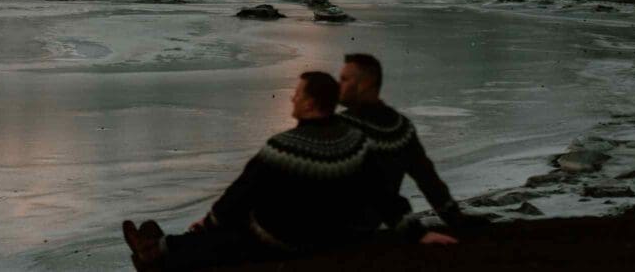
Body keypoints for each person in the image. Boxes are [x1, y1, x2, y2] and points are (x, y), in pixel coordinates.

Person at [122, 71, 455, 271]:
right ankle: (156, 244)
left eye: (297, 94)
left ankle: (154, 252)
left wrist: (207, 224)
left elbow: (238, 196)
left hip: (288, 240)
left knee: (226, 236)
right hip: (336, 234)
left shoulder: (284, 146)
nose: (292, 99)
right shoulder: (355, 140)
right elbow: (383, 194)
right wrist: (418, 233)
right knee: (238, 225)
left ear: (310, 103)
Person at [338, 54, 487, 230]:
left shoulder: (341, 126)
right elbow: (428, 180)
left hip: (337, 230)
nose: (339, 85)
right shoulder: (400, 128)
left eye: (344, 79)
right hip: (373, 225)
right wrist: (455, 219)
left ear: (366, 83)